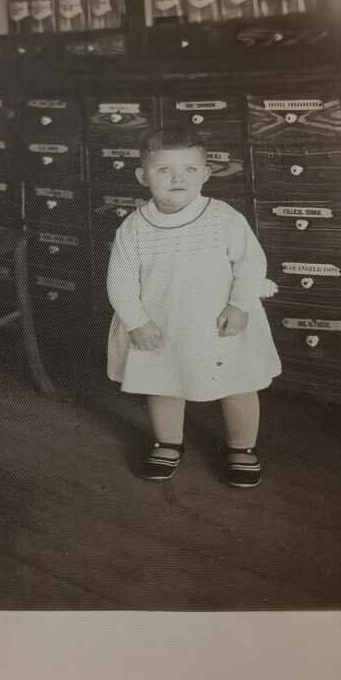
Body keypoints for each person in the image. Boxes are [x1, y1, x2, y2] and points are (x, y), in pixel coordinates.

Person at [106, 127, 281, 487]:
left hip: (221, 322)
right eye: (163, 170)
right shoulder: (134, 228)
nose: (177, 179)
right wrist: (136, 321)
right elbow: (120, 281)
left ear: (205, 174)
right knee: (163, 382)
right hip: (162, 323)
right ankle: (168, 442)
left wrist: (240, 305)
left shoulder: (223, 218)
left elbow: (250, 264)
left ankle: (242, 447)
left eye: (189, 170)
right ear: (143, 176)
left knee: (238, 382)